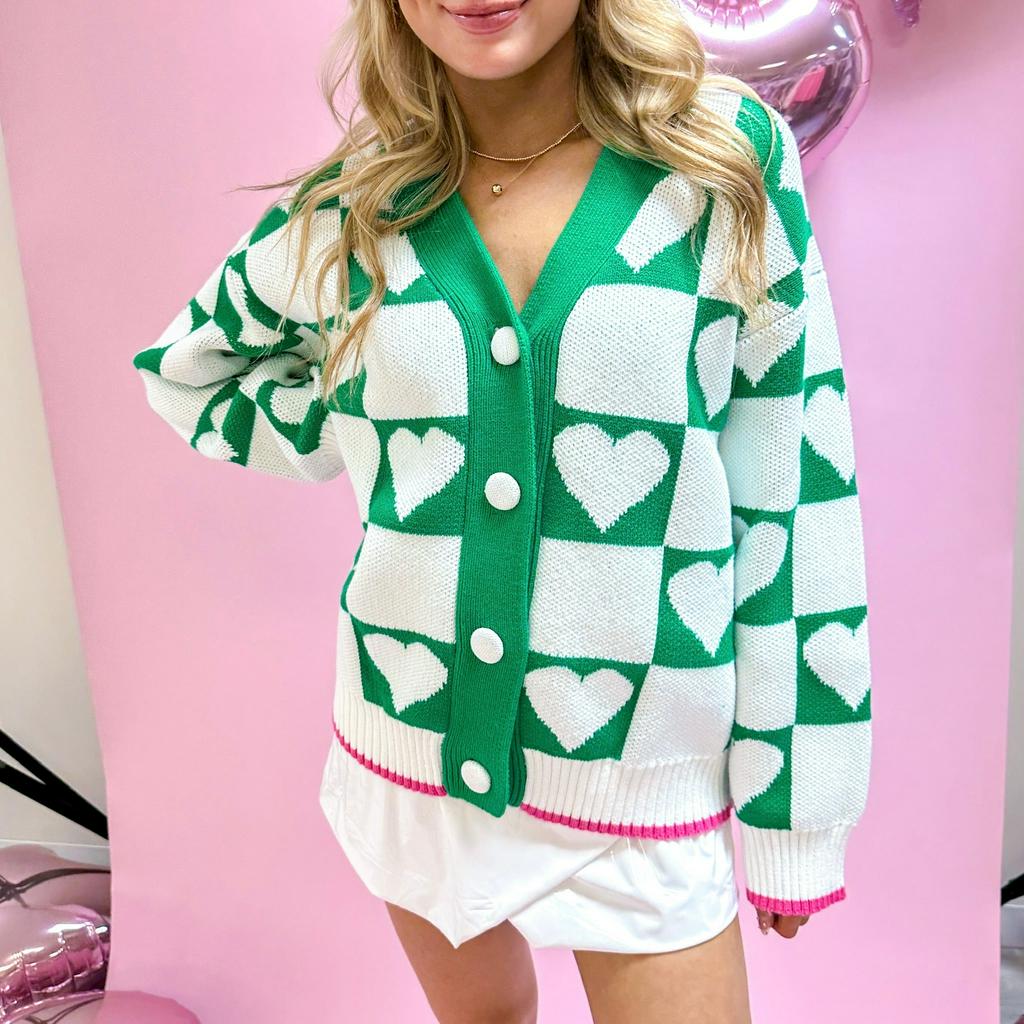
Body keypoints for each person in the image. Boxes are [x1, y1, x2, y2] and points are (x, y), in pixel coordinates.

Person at [130, 0, 873, 1020]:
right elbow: (189, 370)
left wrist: (796, 815)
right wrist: (372, 423)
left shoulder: (720, 163)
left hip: (639, 782)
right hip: (408, 748)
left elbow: (794, 489)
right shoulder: (360, 203)